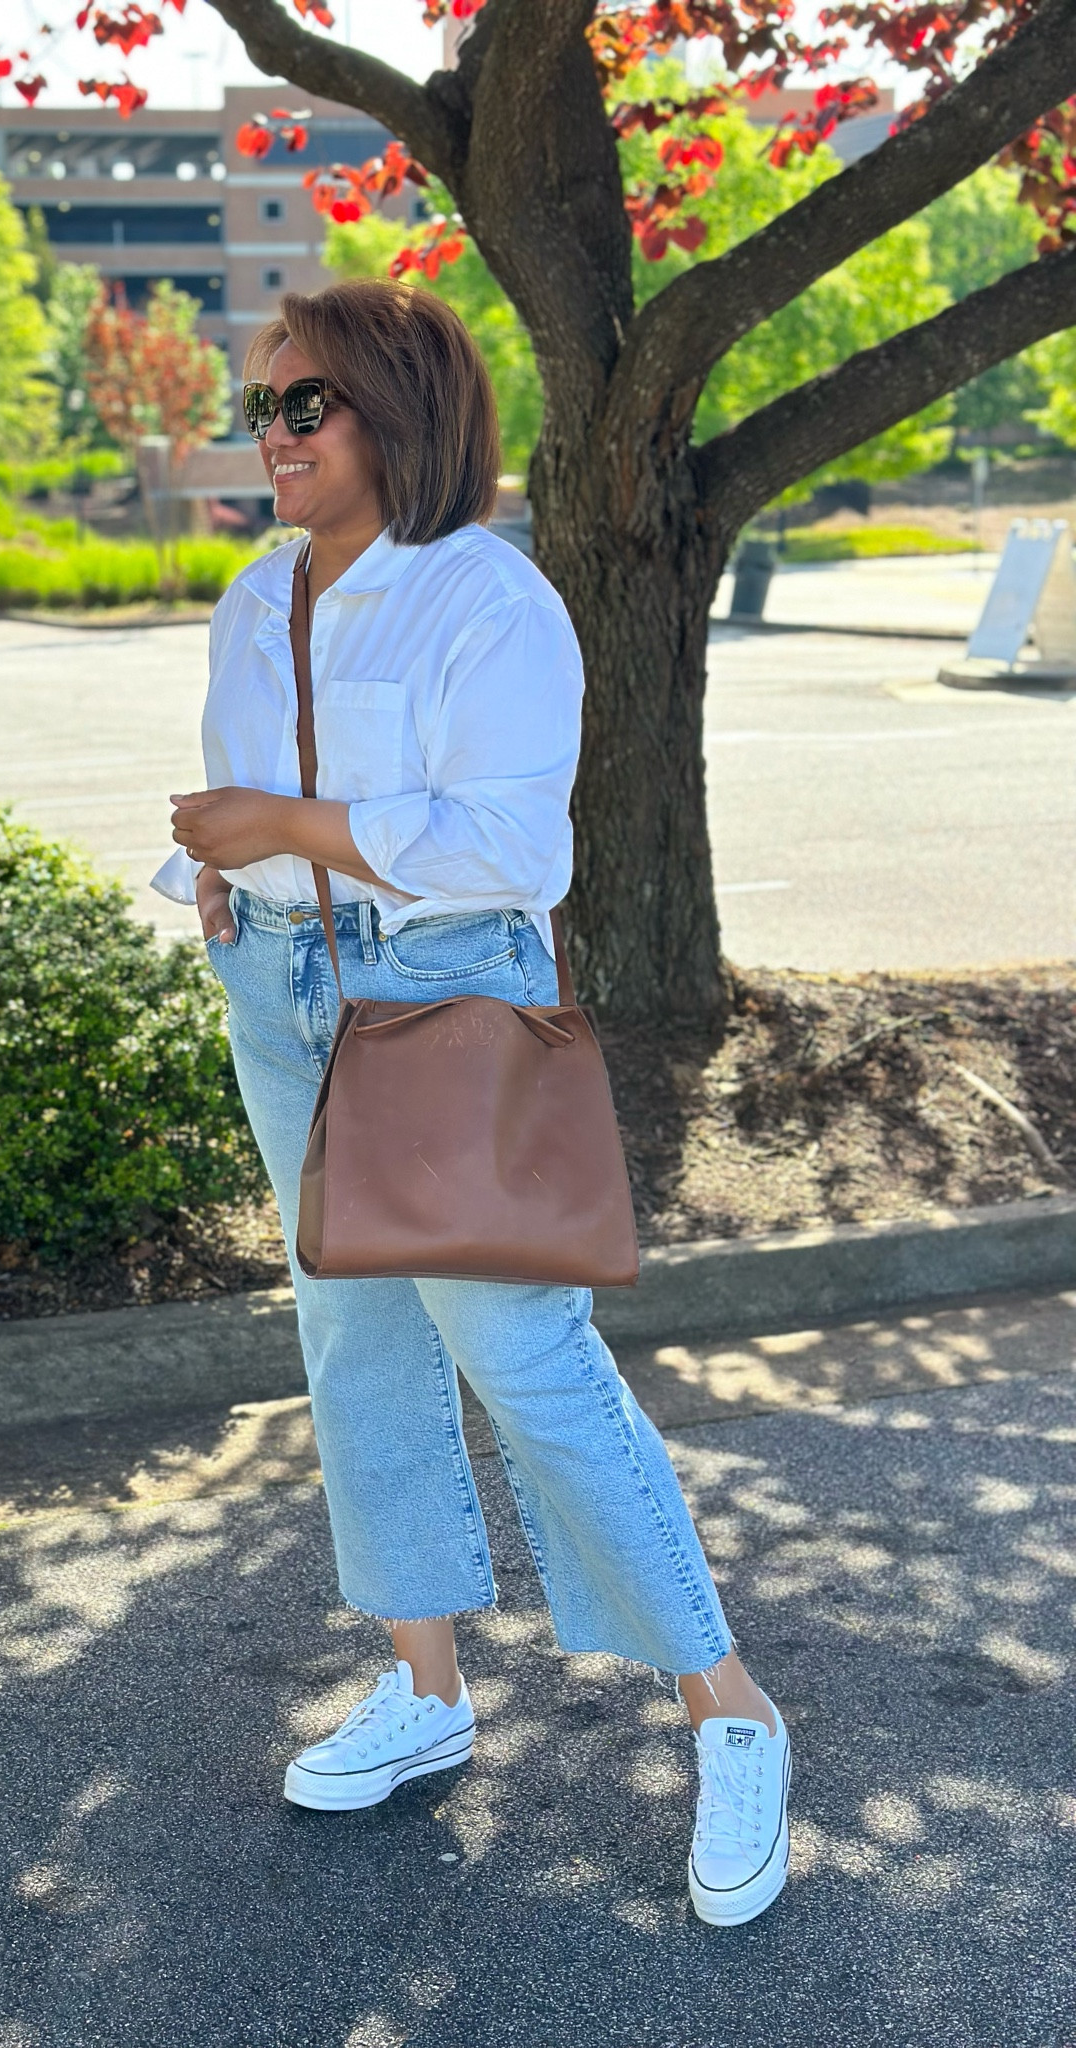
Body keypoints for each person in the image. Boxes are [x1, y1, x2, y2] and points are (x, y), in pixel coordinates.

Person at [151, 278, 790, 1928]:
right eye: (264, 407)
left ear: (398, 413)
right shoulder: (253, 594)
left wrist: (285, 829)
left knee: (521, 1352)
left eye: (306, 405)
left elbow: (511, 848)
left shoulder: (487, 602)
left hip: (439, 987)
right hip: (283, 994)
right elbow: (247, 805)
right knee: (351, 1338)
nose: (272, 432)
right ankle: (426, 1689)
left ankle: (732, 1708)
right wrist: (221, 876)